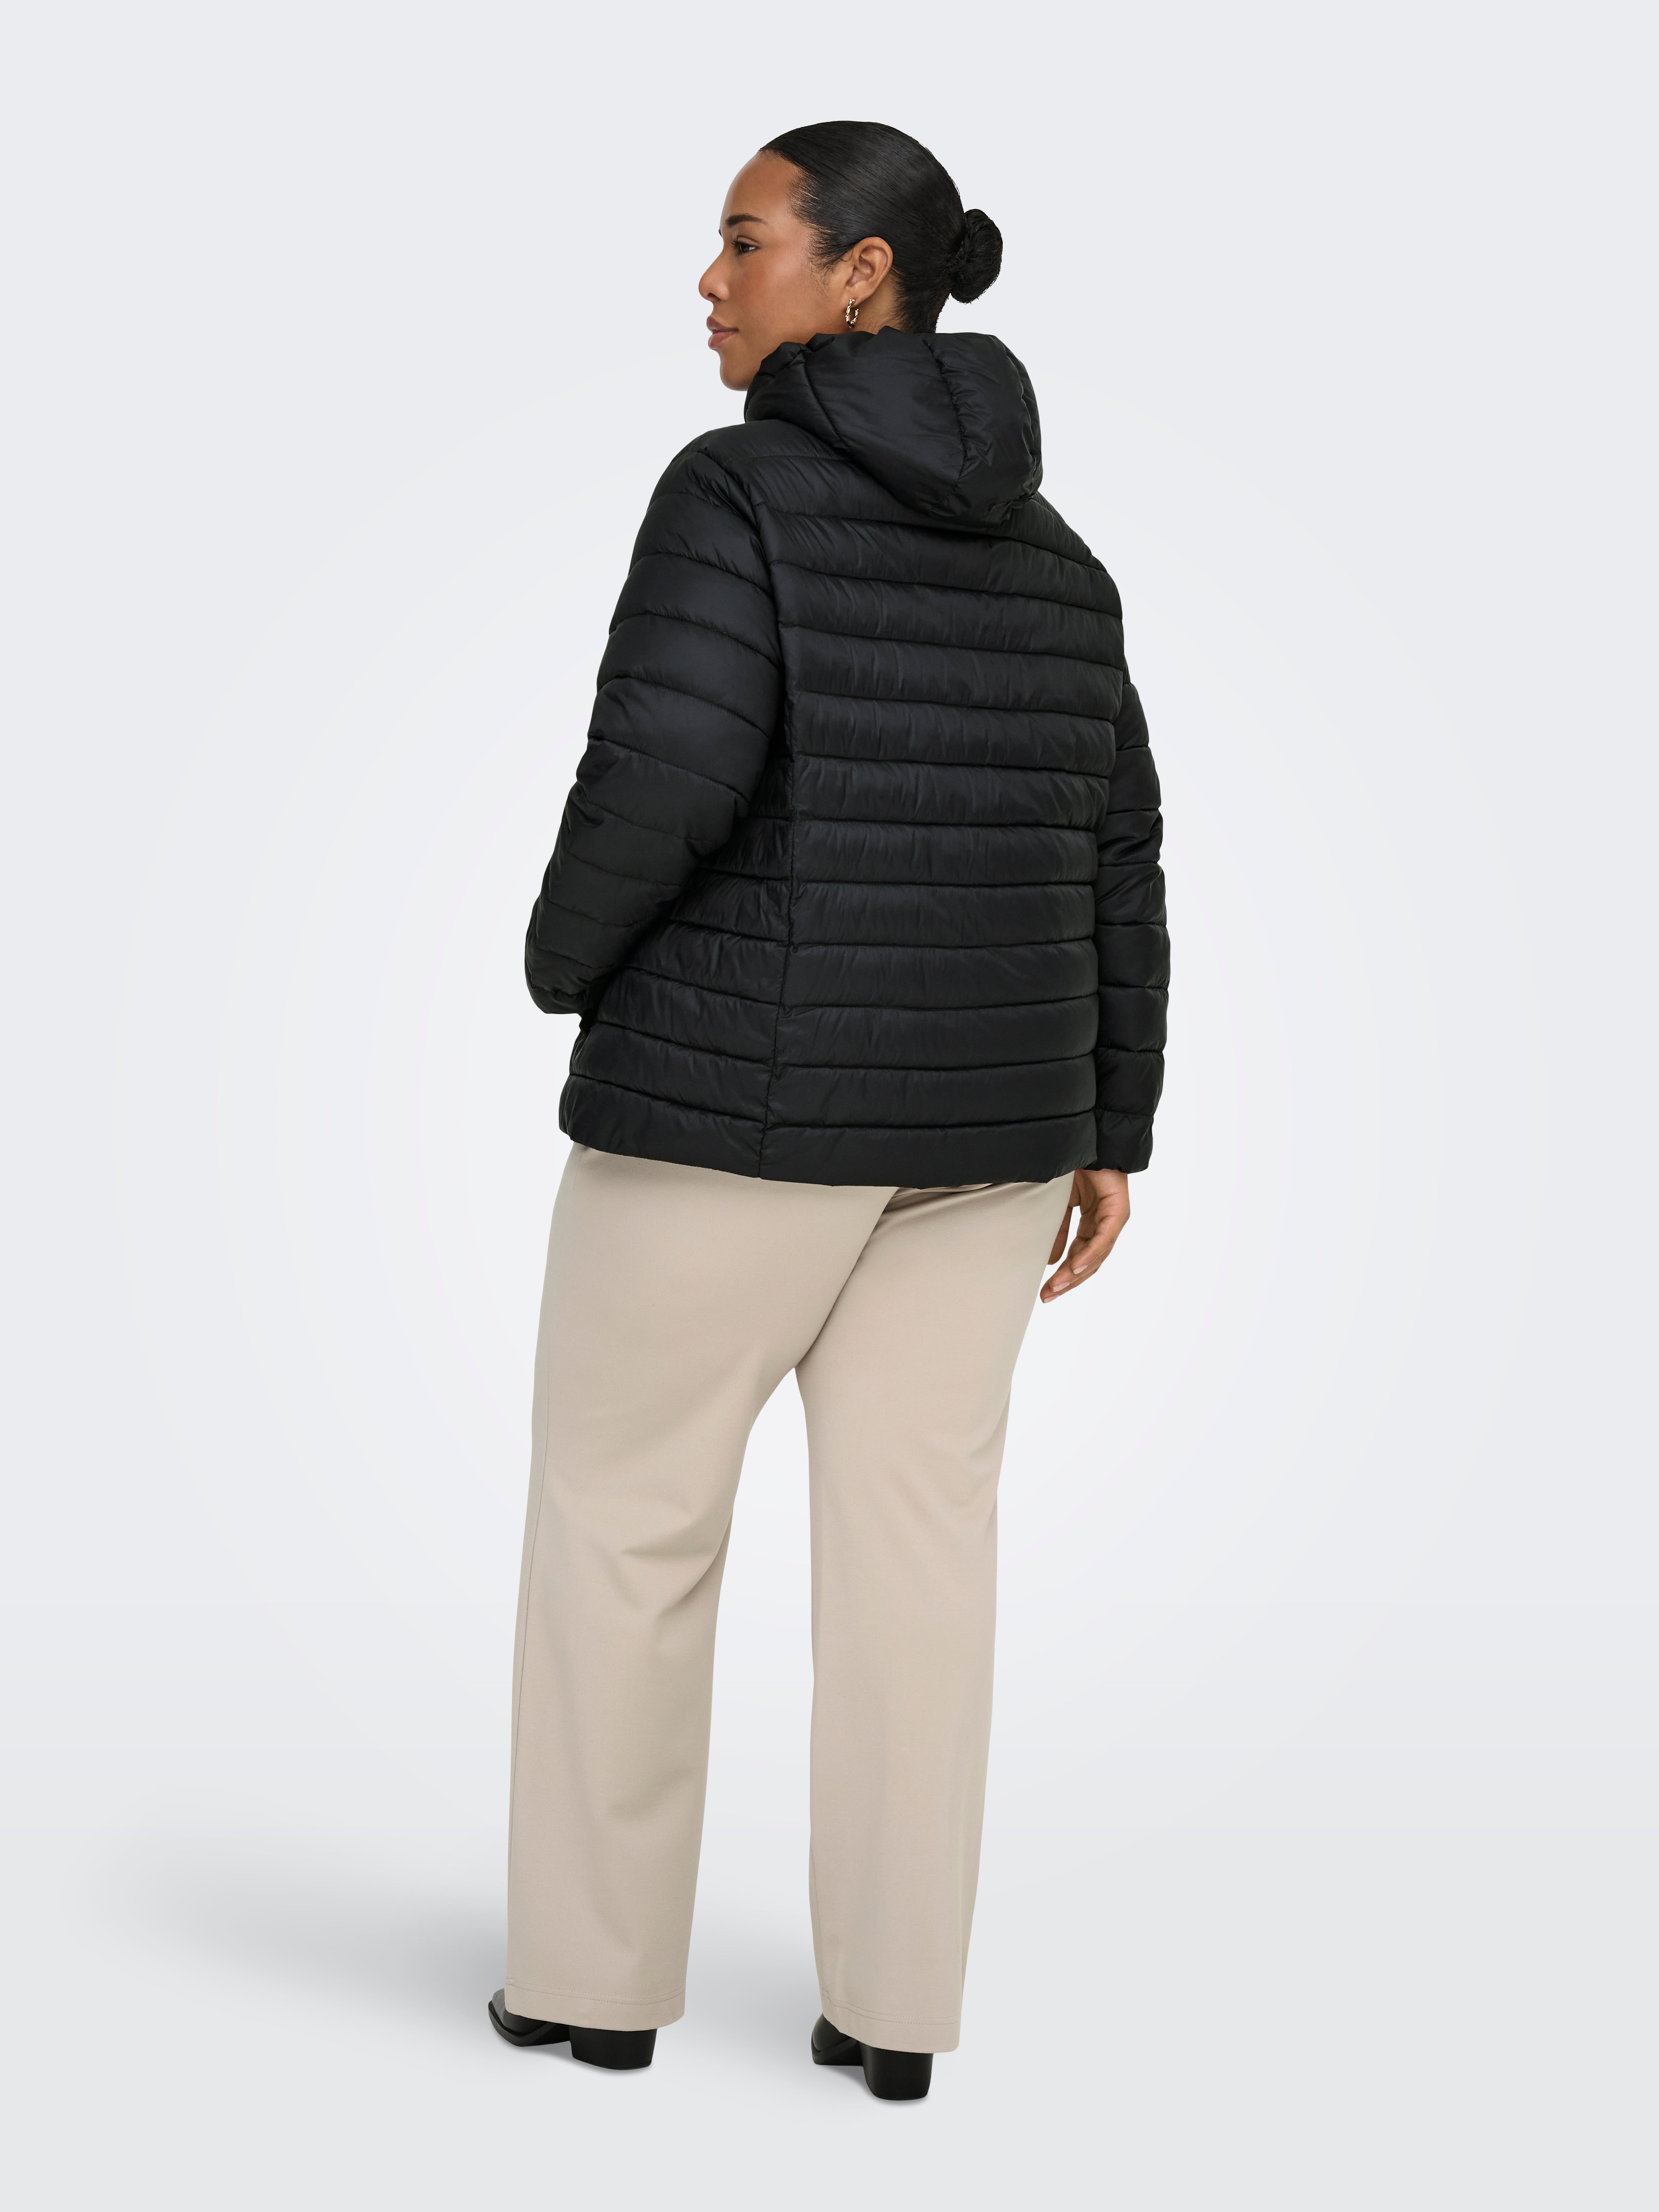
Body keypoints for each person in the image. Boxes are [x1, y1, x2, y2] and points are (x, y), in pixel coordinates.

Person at [489, 120, 1168, 2101]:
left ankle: (595, 1981)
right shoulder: (1061, 557)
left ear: (863, 273)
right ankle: (896, 2012)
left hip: (729, 1116)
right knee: (919, 1562)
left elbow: (666, 776)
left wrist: (562, 963)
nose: (710, 283)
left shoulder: (736, 490)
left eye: (744, 242)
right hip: (994, 1134)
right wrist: (1111, 1119)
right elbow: (1115, 845)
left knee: (628, 1526)